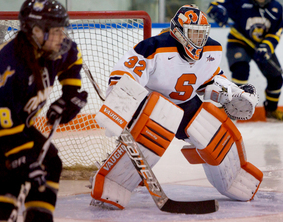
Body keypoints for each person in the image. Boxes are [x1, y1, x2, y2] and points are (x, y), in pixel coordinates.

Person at [90, 5, 263, 210]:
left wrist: (233, 92)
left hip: (187, 103)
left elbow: (209, 79)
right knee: (158, 123)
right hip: (150, 105)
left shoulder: (212, 50)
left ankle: (233, 179)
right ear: (178, 32)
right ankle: (113, 184)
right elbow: (123, 77)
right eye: (194, 34)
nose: (199, 40)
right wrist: (120, 109)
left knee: (212, 131)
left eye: (202, 34)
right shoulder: (154, 47)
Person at [0, 0, 87, 221]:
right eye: (56, 31)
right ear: (37, 31)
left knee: (50, 163)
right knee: (6, 181)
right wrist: (22, 156)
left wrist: (69, 94)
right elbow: (0, 120)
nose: (62, 37)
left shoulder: (54, 50)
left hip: (13, 124)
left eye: (62, 30)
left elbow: (73, 59)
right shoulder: (9, 66)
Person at [207, 0, 283, 121]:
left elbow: (275, 33)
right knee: (240, 68)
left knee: (276, 77)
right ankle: (233, 108)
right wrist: (217, 10)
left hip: (261, 46)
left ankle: (271, 110)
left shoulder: (277, 8)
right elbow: (217, 4)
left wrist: (266, 47)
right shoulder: (241, 1)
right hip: (238, 41)